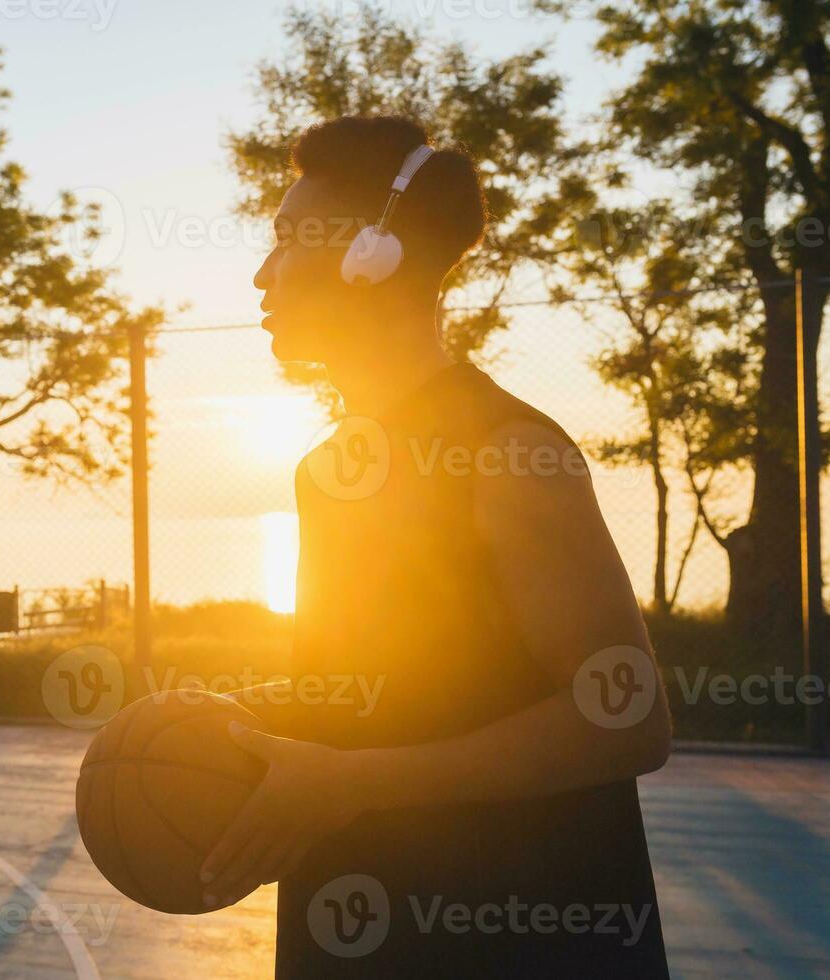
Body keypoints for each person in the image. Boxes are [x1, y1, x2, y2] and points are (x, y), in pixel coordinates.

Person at [198, 115, 673, 978]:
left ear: (368, 256)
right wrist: (235, 722)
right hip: (358, 912)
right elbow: (393, 691)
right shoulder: (328, 471)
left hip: (517, 934)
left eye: (287, 243)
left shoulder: (508, 453)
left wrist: (349, 784)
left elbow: (629, 721)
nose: (263, 275)